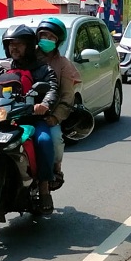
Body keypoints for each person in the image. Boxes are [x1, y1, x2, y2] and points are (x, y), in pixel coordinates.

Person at [0, 24, 60, 214]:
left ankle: (43, 187)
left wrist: (44, 105)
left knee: (44, 141)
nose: (14, 48)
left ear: (29, 46)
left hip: (30, 118)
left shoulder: (42, 69)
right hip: (1, 119)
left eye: (19, 44)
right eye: (10, 45)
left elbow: (52, 89)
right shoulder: (1, 67)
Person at [35, 17, 81, 191]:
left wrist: (55, 117)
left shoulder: (63, 65)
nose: (46, 39)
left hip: (48, 116)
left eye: (51, 37)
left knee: (54, 139)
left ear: (58, 41)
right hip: (22, 112)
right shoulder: (27, 56)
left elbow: (68, 97)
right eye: (43, 35)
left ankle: (54, 172)